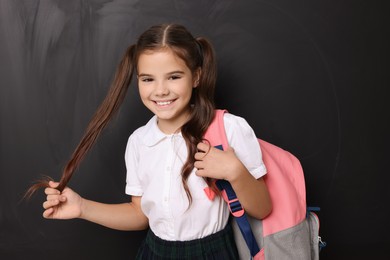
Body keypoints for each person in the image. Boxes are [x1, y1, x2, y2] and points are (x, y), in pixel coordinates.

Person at [32, 23, 272, 259]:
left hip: (213, 252)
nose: (160, 90)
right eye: (148, 79)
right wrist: (82, 207)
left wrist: (235, 171)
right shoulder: (139, 141)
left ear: (196, 76)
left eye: (174, 77)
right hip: (154, 251)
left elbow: (263, 209)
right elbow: (140, 215)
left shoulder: (229, 128)